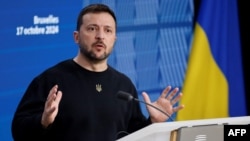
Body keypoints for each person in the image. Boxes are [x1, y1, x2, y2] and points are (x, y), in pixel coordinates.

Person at [11, 3, 184, 141]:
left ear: (114, 40)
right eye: (92, 29)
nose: (100, 36)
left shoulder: (124, 85)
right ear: (76, 36)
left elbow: (133, 136)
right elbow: (18, 131)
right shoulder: (50, 81)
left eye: (107, 30)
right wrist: (43, 121)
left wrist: (152, 122)